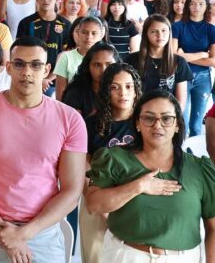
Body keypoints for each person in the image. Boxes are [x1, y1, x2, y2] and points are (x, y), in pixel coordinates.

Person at [0, 36, 87, 262]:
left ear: (47, 70)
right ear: (8, 67)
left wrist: (23, 234)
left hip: (43, 233)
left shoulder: (70, 119)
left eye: (35, 65)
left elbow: (72, 190)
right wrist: (1, 231)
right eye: (19, 64)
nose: (27, 72)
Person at [86, 90, 215, 262]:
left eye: (166, 118)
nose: (157, 125)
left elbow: (213, 228)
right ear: (138, 124)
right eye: (149, 118)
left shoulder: (199, 169)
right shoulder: (115, 159)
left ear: (177, 125)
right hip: (126, 255)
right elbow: (93, 205)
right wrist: (138, 186)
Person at [79, 63, 141, 262]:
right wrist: (100, 205)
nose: (123, 93)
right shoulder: (90, 124)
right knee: (96, 257)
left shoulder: (145, 121)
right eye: (115, 87)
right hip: (96, 199)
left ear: (136, 89)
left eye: (129, 86)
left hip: (137, 200)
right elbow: (83, 169)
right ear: (106, 90)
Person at [125, 14, 192, 112]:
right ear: (146, 34)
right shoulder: (131, 60)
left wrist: (172, 117)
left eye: (164, 31)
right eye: (153, 31)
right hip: (138, 114)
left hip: (167, 114)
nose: (160, 35)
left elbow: (180, 102)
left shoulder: (179, 62)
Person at [16, 0, 72, 95]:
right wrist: (37, 78)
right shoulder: (26, 23)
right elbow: (19, 52)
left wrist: (48, 79)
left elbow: (67, 56)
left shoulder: (66, 25)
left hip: (56, 81)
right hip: (29, 78)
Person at [171, 0, 215, 137]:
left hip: (203, 78)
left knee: (196, 125)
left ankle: (193, 151)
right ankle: (180, 150)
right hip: (182, 76)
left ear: (206, 6)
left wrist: (183, 56)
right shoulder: (178, 26)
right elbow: (173, 56)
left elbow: (213, 61)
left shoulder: (211, 29)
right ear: (188, 6)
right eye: (193, 3)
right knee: (181, 121)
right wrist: (202, 54)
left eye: (201, 4)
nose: (197, 7)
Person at [54, 16, 107, 101]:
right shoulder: (66, 57)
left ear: (101, 35)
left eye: (94, 33)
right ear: (78, 33)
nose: (89, 37)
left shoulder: (107, 57)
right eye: (84, 32)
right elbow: (60, 96)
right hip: (71, 106)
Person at [62, 41, 120, 117]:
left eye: (109, 64)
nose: (103, 70)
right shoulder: (75, 94)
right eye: (97, 65)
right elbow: (73, 123)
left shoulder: (126, 91)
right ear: (88, 67)